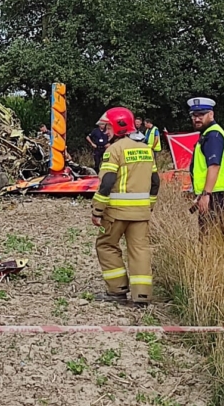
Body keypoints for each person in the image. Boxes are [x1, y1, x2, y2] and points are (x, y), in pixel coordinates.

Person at [91, 107, 160, 307]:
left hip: (116, 213)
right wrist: (150, 206)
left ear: (119, 127)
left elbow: (107, 182)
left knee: (106, 245)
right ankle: (142, 296)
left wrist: (97, 210)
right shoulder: (147, 149)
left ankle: (118, 290)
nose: (105, 131)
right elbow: (155, 182)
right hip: (141, 213)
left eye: (108, 127)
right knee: (139, 250)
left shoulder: (114, 150)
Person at [187, 97, 224, 236]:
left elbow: (214, 165)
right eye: (194, 115)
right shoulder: (208, 134)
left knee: (212, 237)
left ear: (211, 115)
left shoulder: (213, 135)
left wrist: (206, 194)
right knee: (212, 235)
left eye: (201, 115)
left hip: (217, 194)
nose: (197, 119)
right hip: (214, 192)